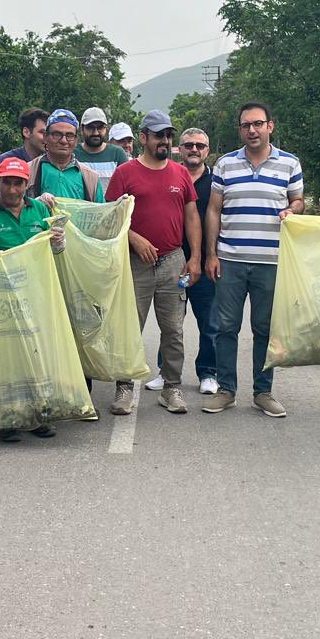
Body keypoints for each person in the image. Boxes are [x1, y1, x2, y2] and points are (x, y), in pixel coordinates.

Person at [203, 102, 304, 417]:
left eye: (258, 124)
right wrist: (211, 253)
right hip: (230, 258)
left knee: (264, 328)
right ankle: (226, 390)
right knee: (225, 327)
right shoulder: (225, 164)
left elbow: (298, 200)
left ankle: (263, 391)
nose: (252, 130)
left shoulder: (289, 163)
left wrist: (293, 209)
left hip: (271, 260)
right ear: (240, 129)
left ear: (270, 126)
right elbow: (214, 210)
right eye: (246, 125)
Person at [103, 110, 202, 415]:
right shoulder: (125, 173)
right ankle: (124, 388)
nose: (165, 140)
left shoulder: (180, 173)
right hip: (135, 262)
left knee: (173, 329)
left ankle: (171, 387)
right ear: (143, 137)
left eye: (169, 135)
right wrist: (134, 238)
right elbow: (111, 216)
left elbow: (191, 216)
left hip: (173, 260)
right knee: (129, 328)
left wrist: (195, 257)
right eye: (159, 135)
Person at [0, 156, 68, 441]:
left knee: (38, 351)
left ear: (27, 184)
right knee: (8, 355)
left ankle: (38, 415)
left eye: (18, 183)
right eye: (6, 182)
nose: (12, 189)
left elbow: (53, 245)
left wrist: (59, 243)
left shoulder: (38, 209)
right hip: (3, 296)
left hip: (37, 292)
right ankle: (9, 417)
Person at [147, 127, 218, 395]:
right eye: (188, 145)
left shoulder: (216, 182)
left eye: (200, 145)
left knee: (208, 321)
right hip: (172, 261)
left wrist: (209, 256)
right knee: (171, 323)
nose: (194, 150)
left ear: (207, 151)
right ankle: (166, 371)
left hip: (204, 263)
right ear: (179, 148)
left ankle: (208, 373)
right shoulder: (170, 175)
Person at [28, 110, 103, 202]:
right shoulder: (28, 172)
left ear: (76, 140)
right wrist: (36, 203)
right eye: (57, 134)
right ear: (45, 137)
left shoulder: (91, 179)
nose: (63, 141)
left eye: (70, 135)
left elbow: (101, 213)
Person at [76, 106, 128, 184]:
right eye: (91, 128)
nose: (96, 133)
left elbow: (127, 184)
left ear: (106, 129)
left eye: (100, 128)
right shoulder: (73, 153)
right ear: (82, 129)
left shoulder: (117, 154)